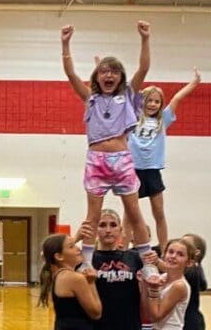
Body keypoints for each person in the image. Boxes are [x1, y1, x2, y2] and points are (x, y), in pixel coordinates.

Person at [61, 22, 156, 275]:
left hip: (121, 159)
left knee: (134, 212)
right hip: (96, 160)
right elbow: (71, 75)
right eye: (103, 71)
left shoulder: (127, 96)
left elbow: (144, 67)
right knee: (92, 215)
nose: (108, 75)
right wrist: (65, 44)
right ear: (97, 77)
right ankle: (88, 263)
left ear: (120, 77)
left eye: (114, 71)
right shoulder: (90, 98)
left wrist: (145, 38)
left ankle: (147, 262)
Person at [127, 69, 201, 248]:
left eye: (157, 101)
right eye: (149, 100)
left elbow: (176, 99)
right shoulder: (132, 117)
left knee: (159, 212)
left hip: (152, 169)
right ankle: (122, 248)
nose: (153, 104)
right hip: (133, 169)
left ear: (161, 105)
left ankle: (163, 247)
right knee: (129, 213)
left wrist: (194, 83)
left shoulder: (163, 119)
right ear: (142, 102)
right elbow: (129, 92)